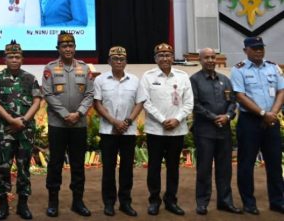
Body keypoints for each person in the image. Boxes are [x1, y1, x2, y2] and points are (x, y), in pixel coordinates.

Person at [41, 31, 94, 217]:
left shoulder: (85, 68)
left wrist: (78, 113)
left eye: (71, 45)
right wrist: (65, 115)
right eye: (64, 46)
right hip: (58, 125)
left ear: (75, 47)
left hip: (78, 125)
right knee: (55, 163)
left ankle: (77, 202)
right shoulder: (50, 68)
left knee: (78, 164)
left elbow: (89, 95)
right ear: (58, 48)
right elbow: (48, 94)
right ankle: (53, 202)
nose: (68, 49)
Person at [230, 36, 284, 215]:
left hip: (272, 121)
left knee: (275, 163)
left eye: (261, 47)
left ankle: (277, 201)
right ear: (246, 50)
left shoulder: (273, 67)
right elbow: (240, 96)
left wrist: (273, 113)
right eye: (255, 48)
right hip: (250, 122)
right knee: (246, 163)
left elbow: (281, 91)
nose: (259, 50)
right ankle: (249, 202)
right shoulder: (239, 70)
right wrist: (262, 114)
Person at [0, 40, 42, 220]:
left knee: (24, 167)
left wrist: (23, 120)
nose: (14, 59)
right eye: (10, 57)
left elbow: (37, 101)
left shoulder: (30, 78)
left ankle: (22, 204)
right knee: (3, 166)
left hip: (25, 130)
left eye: (17, 56)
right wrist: (11, 120)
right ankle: (3, 204)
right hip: (4, 130)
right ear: (4, 59)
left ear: (22, 58)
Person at [139, 43, 193, 216]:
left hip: (177, 130)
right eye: (160, 55)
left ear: (172, 57)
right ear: (155, 59)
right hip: (156, 130)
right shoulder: (147, 76)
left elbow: (189, 103)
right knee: (154, 167)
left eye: (168, 55)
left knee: (173, 167)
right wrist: (163, 120)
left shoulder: (183, 76)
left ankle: (171, 200)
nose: (164, 58)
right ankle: (154, 200)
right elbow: (145, 102)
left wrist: (177, 119)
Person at [92, 46, 145, 217]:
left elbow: (140, 103)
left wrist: (127, 121)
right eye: (115, 59)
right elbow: (97, 104)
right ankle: (109, 203)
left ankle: (125, 203)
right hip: (108, 131)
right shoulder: (100, 80)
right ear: (109, 61)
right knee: (108, 169)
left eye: (122, 59)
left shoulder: (135, 80)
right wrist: (114, 121)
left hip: (128, 131)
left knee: (127, 169)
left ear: (126, 61)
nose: (119, 62)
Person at [190, 47, 240, 215]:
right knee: (204, 169)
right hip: (205, 131)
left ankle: (225, 202)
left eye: (213, 57)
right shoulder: (194, 80)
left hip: (224, 131)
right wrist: (214, 117)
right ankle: (202, 203)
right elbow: (195, 105)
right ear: (200, 60)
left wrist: (227, 115)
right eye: (207, 58)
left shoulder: (225, 80)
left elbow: (233, 102)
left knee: (225, 169)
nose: (210, 60)